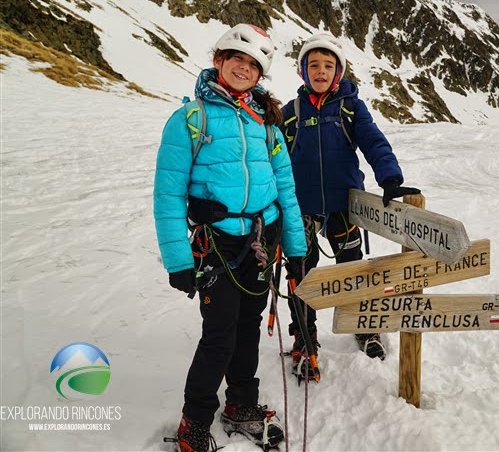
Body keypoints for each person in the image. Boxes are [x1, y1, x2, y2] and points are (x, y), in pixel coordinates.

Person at [154, 24, 308, 452]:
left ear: (261, 75)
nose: (243, 67)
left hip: (260, 243)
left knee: (248, 327)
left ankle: (241, 405)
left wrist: (296, 248)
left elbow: (285, 190)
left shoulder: (268, 125)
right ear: (217, 60)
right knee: (219, 335)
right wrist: (178, 259)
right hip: (216, 245)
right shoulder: (190, 119)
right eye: (235, 58)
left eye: (253, 64)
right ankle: (195, 422)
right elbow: (167, 192)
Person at [280, 31, 420, 374]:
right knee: (302, 274)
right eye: (314, 64)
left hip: (346, 208)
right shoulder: (290, 112)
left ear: (338, 72)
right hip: (303, 210)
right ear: (303, 71)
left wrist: (389, 178)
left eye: (329, 65)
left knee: (352, 270)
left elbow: (374, 142)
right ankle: (304, 337)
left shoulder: (351, 107)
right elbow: (273, 159)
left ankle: (365, 327)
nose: (321, 71)